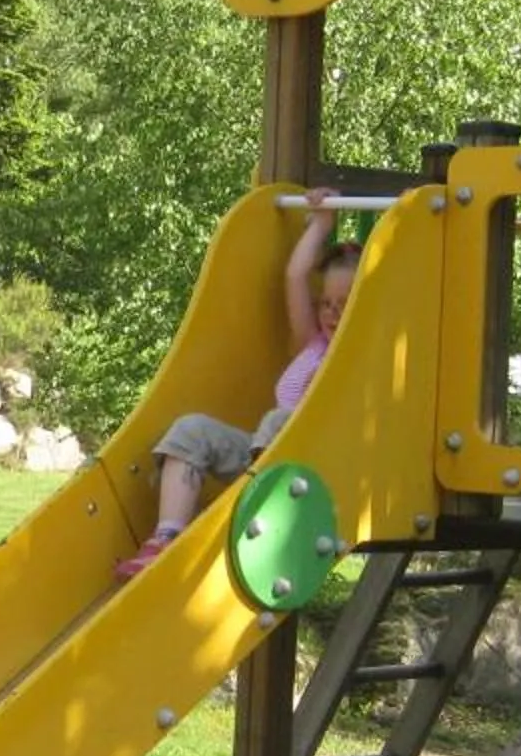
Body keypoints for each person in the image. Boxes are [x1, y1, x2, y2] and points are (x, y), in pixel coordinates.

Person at [115, 190, 358, 580]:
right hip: (262, 458)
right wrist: (322, 226)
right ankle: (167, 537)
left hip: (308, 472)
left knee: (280, 420)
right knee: (191, 429)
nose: (332, 313)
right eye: (327, 303)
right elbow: (295, 276)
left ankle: (239, 522)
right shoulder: (311, 344)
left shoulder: (361, 354)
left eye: (345, 304)